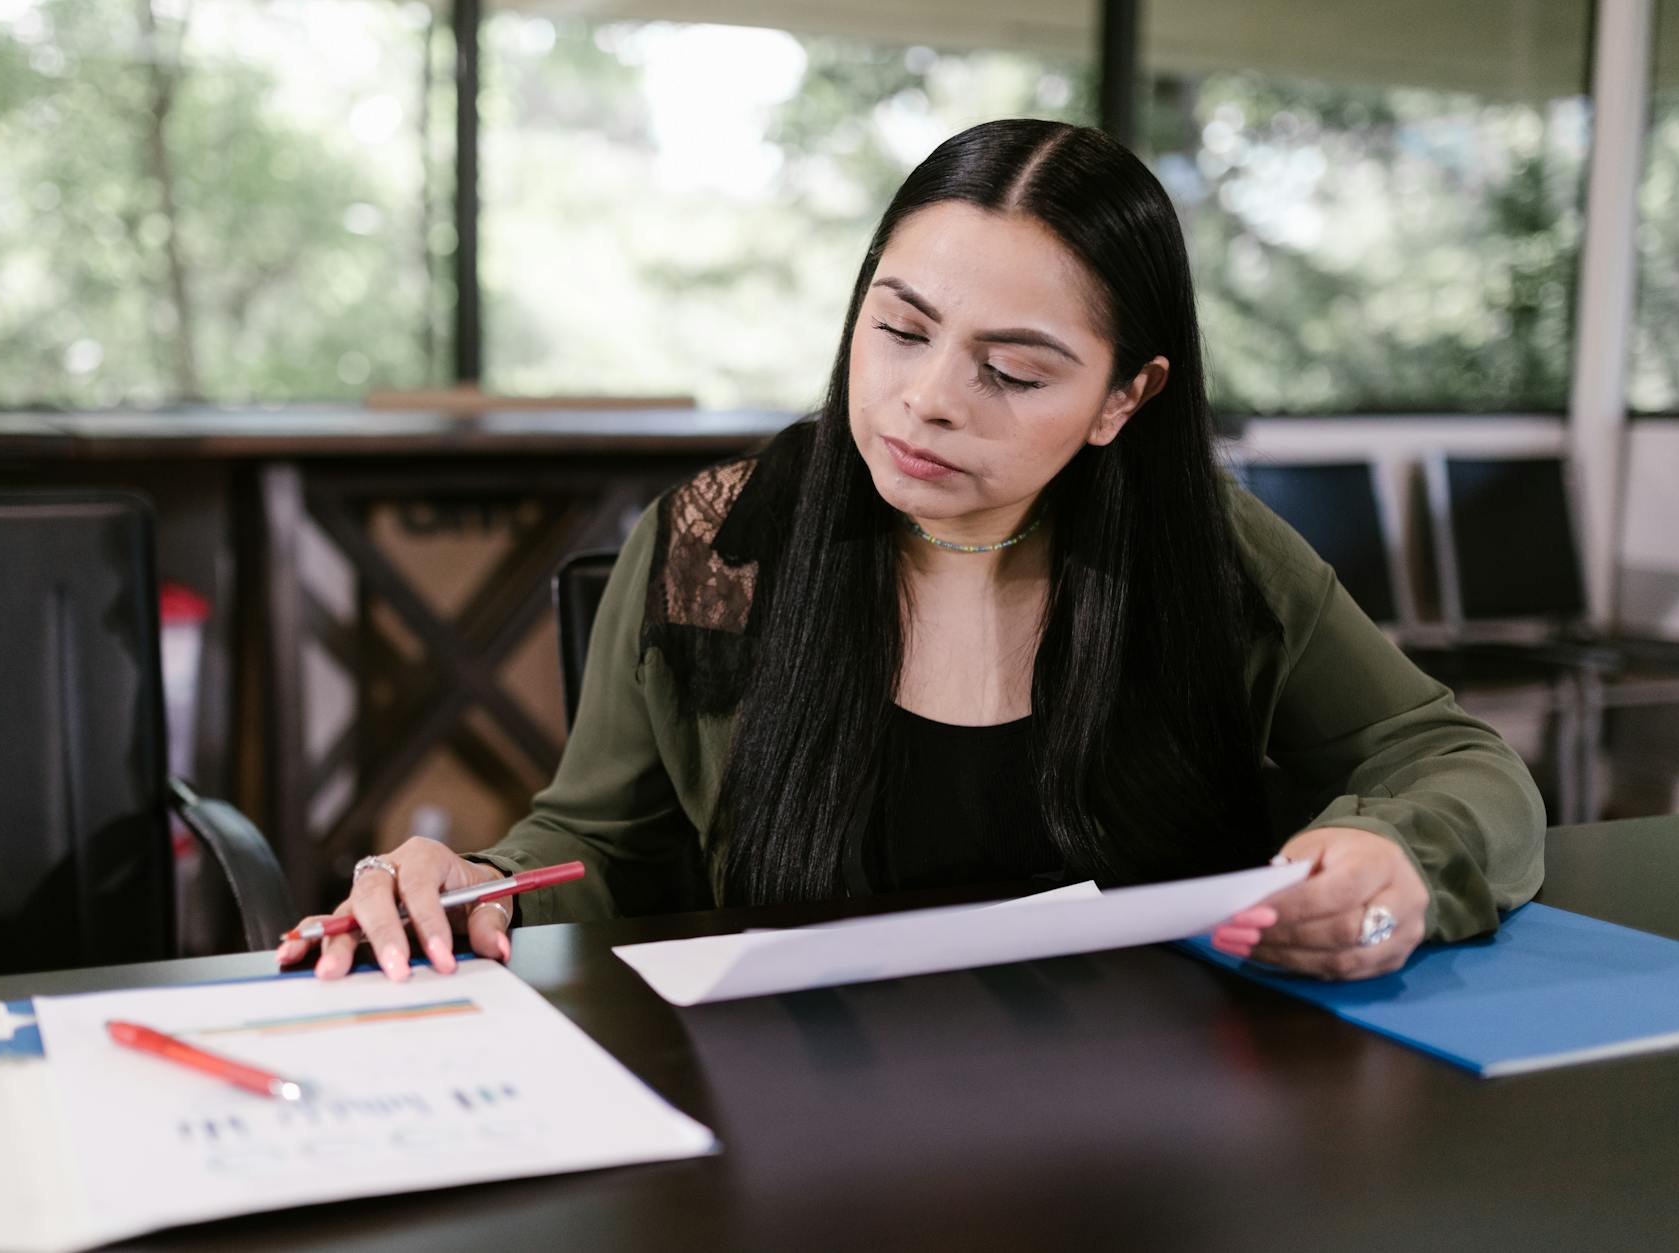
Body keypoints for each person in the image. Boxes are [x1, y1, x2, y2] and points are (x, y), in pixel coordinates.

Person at [279, 119, 1545, 985]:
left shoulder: (1199, 551)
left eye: (1010, 369)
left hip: (1142, 1132)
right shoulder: (716, 545)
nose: (927, 398)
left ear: (1123, 398)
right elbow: (598, 845)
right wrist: (478, 882)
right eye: (899, 329)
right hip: (798, 1129)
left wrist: (1399, 869)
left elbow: (1452, 760)